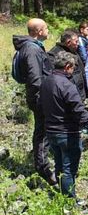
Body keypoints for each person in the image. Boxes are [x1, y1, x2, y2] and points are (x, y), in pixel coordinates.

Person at [39, 52, 88, 198]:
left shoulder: (46, 82)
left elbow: (40, 105)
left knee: (59, 166)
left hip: (51, 131)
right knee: (69, 169)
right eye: (73, 68)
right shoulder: (67, 85)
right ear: (67, 67)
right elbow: (79, 111)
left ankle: (64, 198)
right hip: (67, 133)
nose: (73, 70)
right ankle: (69, 202)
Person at [12, 18, 55, 185]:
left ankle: (43, 164)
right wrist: (45, 95)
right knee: (43, 133)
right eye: (46, 28)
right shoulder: (32, 49)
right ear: (39, 31)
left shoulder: (32, 47)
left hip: (39, 95)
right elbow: (35, 78)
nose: (48, 30)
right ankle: (43, 169)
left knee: (43, 131)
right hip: (40, 97)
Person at [48, 30, 88, 100]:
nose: (78, 44)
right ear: (69, 42)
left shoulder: (73, 51)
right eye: (76, 41)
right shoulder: (54, 55)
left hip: (80, 95)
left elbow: (82, 73)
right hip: (67, 96)